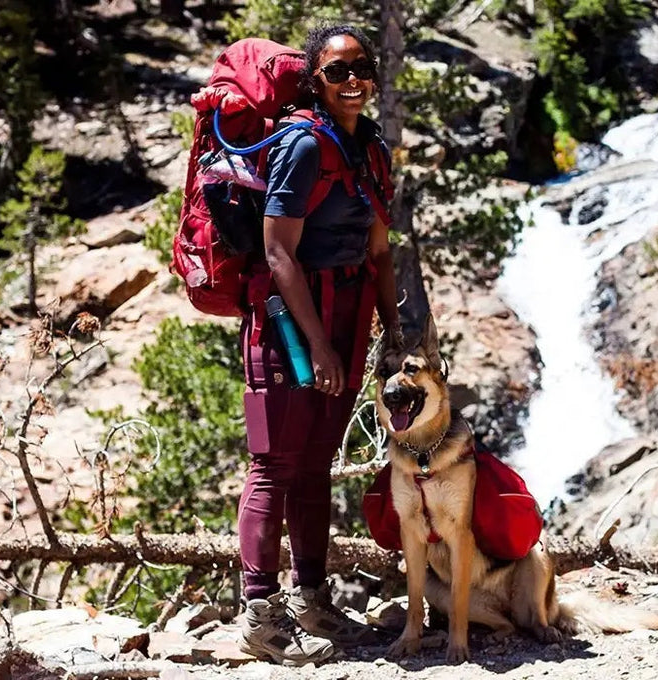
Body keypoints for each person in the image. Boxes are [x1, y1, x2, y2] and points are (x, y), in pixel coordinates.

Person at [236, 24, 401, 666]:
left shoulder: (370, 148)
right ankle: (259, 613)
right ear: (316, 79)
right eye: (338, 71)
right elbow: (278, 252)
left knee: (313, 464)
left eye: (361, 67)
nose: (353, 80)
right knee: (274, 463)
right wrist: (318, 347)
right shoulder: (304, 144)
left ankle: (312, 600)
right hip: (290, 322)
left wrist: (394, 330)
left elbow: (380, 249)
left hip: (348, 315)